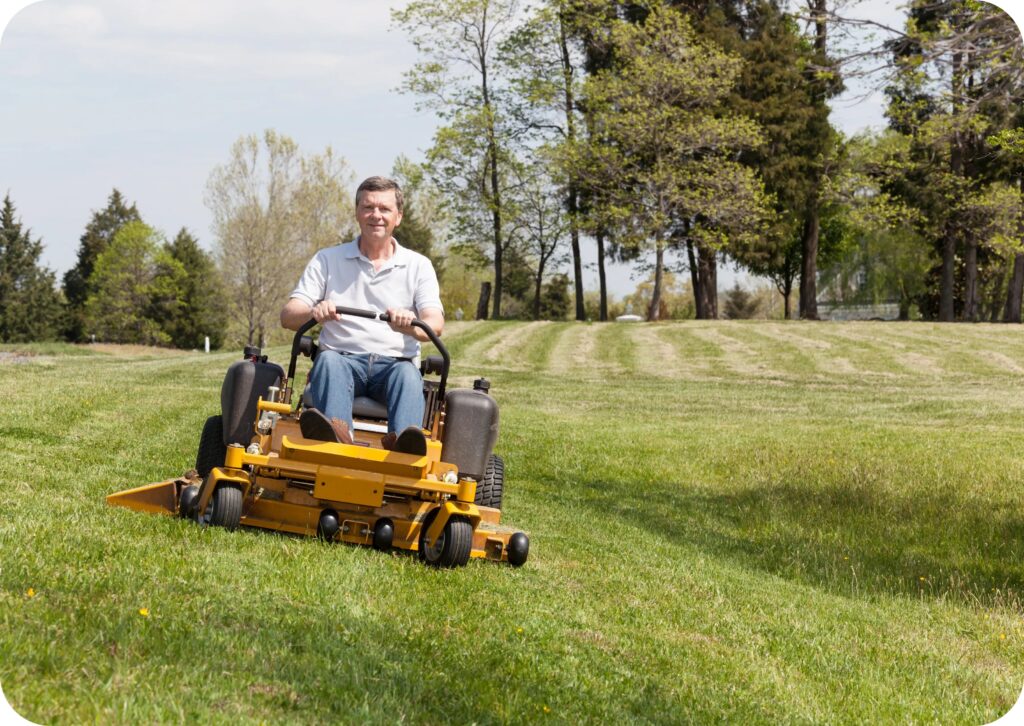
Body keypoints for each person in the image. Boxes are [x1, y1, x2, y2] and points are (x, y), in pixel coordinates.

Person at [280, 176, 444, 454]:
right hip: (342, 360)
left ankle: (404, 446)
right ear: (357, 213)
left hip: (395, 364)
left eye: (384, 209)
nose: (376, 215)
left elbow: (435, 324)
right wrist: (315, 312)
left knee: (407, 375)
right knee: (329, 361)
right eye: (368, 207)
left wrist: (409, 325)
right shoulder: (327, 259)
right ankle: (337, 437)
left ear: (398, 217)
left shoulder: (419, 266)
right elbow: (288, 315)